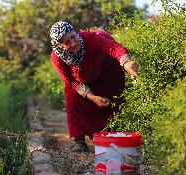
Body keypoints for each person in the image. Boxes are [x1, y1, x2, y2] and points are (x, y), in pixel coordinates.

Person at [49, 21, 138, 152]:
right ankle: (79, 140)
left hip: (106, 71)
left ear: (75, 32)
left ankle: (113, 133)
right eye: (66, 42)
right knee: (71, 94)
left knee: (114, 98)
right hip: (83, 81)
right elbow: (71, 81)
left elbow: (114, 48)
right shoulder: (57, 58)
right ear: (60, 46)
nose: (73, 43)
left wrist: (126, 63)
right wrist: (92, 97)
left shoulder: (91, 39)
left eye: (73, 37)